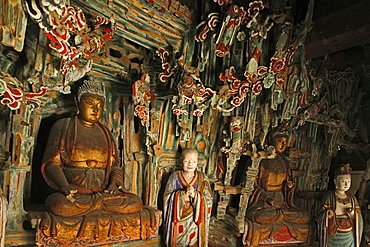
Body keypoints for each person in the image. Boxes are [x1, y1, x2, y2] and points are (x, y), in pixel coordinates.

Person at [40, 78, 154, 242]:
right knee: (57, 204)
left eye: (100, 105)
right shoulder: (63, 126)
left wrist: (115, 184)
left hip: (103, 195)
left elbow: (115, 166)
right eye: (90, 103)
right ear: (77, 103)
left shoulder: (106, 132)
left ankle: (99, 205)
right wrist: (64, 186)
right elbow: (52, 163)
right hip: (75, 195)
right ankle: (91, 206)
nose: (95, 109)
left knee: (135, 202)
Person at [244, 132, 312, 246]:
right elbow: (249, 184)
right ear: (271, 140)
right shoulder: (261, 158)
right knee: (259, 217)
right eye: (280, 141)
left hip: (282, 203)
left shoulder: (284, 160)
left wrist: (289, 187)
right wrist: (267, 198)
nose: (283, 144)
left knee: (306, 217)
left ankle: (281, 217)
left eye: (285, 141)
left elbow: (286, 183)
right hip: (264, 202)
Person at [163, 148, 213, 247]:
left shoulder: (202, 178)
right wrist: (180, 196)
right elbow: (166, 199)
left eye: (193, 161)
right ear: (181, 162)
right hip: (178, 218)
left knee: (193, 241)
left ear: (197, 162)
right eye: (186, 161)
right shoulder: (174, 177)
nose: (190, 164)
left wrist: (196, 196)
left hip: (195, 220)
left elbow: (209, 200)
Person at [318, 163, 363, 247]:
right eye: (343, 181)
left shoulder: (352, 198)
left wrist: (353, 213)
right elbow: (321, 213)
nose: (346, 184)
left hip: (349, 232)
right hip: (334, 230)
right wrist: (328, 214)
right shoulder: (330, 196)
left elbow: (358, 215)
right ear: (335, 182)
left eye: (348, 181)